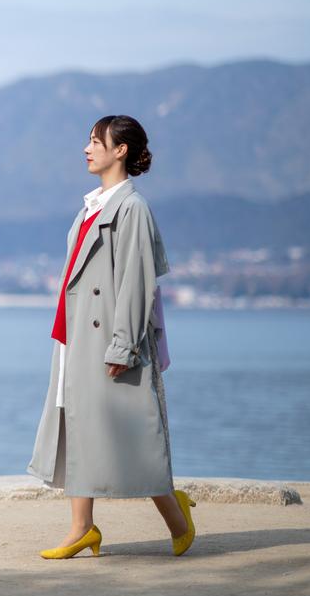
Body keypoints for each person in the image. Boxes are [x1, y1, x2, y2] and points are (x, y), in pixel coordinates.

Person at [26, 114, 196, 558]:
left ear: (120, 150)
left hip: (107, 340)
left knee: (131, 435)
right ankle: (82, 527)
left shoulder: (131, 208)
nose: (87, 148)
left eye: (95, 141)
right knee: (77, 425)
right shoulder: (92, 205)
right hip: (74, 334)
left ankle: (176, 516)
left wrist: (123, 343)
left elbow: (138, 282)